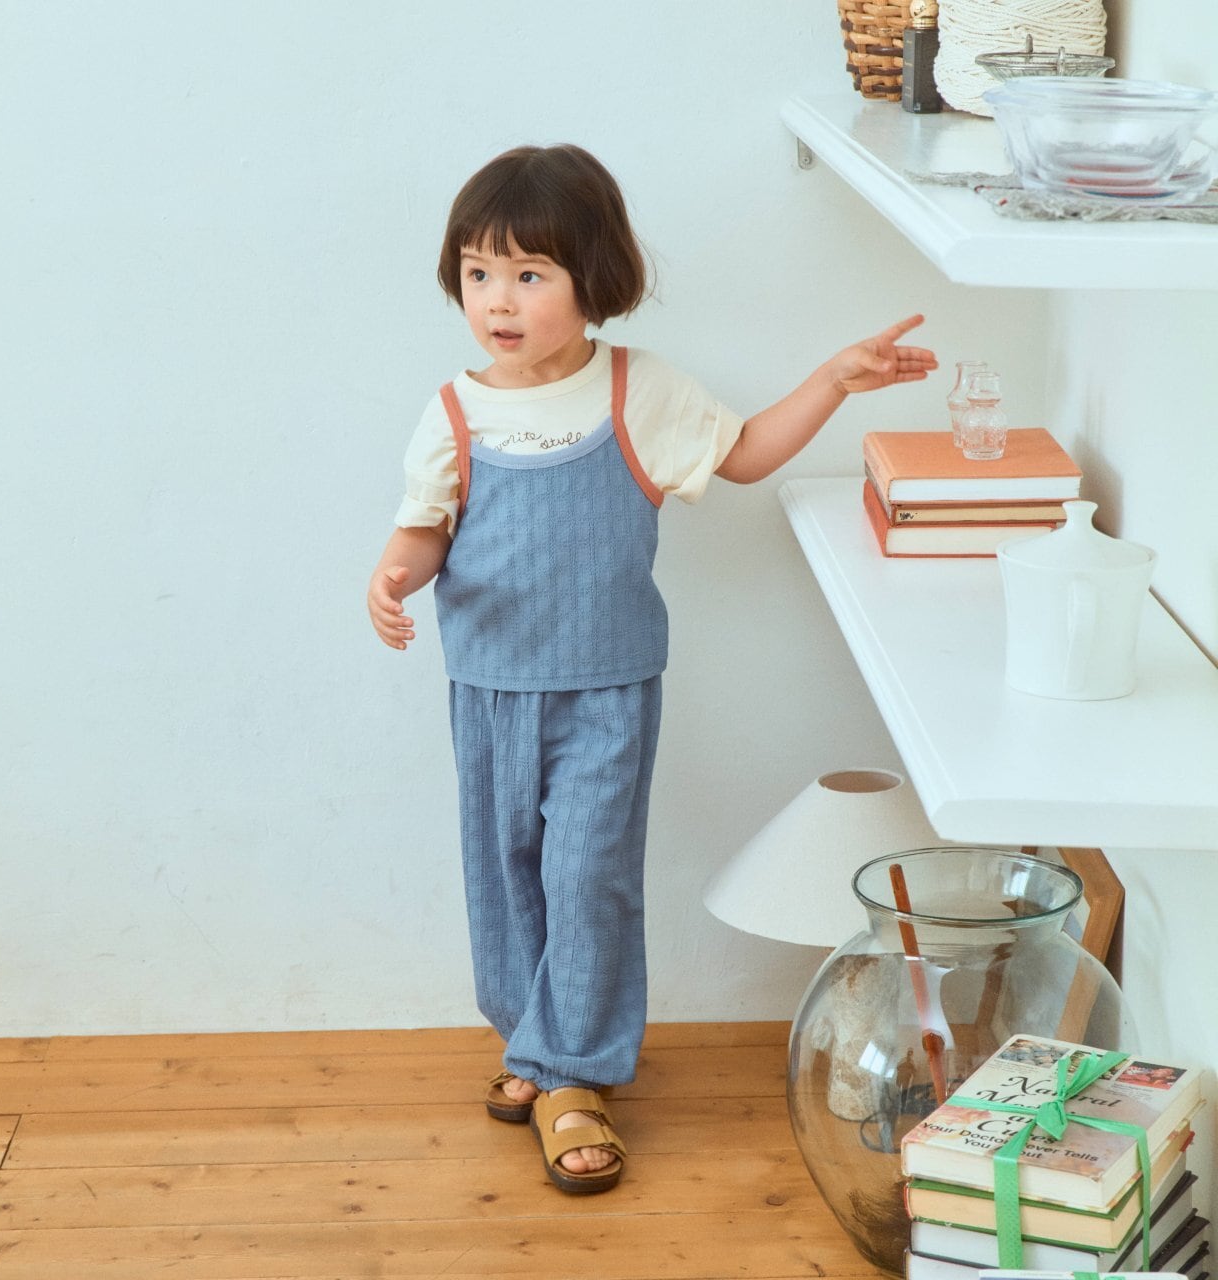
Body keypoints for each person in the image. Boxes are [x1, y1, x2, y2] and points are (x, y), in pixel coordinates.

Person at [368, 143, 936, 1195]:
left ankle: (571, 1075)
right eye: (479, 272)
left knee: (586, 874)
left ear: (593, 277)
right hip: (488, 687)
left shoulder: (638, 391)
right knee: (505, 871)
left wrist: (831, 381)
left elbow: (744, 454)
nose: (499, 299)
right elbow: (424, 530)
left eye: (529, 273)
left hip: (607, 686)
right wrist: (392, 578)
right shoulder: (452, 412)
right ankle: (533, 1040)